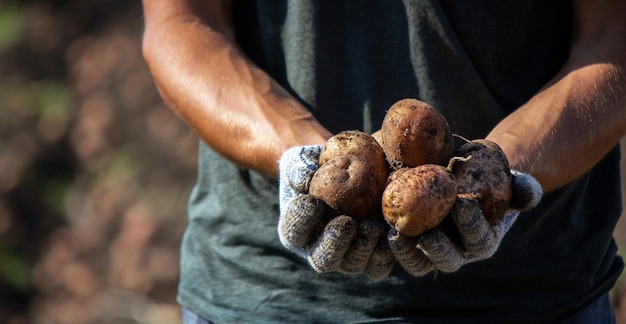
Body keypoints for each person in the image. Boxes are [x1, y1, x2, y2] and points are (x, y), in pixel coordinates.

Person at [141, 0, 626, 322]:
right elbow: (181, 23)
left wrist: (500, 172)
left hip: (535, 294)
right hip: (262, 296)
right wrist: (302, 159)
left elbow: (614, 33)